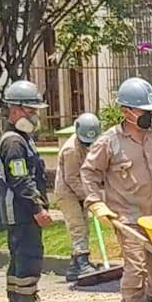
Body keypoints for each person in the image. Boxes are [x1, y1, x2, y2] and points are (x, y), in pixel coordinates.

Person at [81, 77, 152, 302]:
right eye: (143, 111)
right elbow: (89, 172)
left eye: (151, 111)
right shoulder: (109, 142)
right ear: (126, 111)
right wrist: (96, 202)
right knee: (136, 268)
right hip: (128, 217)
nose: (149, 116)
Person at [0, 80, 62, 302]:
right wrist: (38, 208)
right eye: (29, 111)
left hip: (19, 213)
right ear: (14, 111)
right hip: (23, 213)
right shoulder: (14, 142)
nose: (34, 116)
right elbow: (21, 180)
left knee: (18, 261)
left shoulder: (21, 139)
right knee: (28, 258)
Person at [55, 113, 102, 282]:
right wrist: (89, 196)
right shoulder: (71, 150)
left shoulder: (90, 144)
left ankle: (75, 266)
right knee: (77, 227)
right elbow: (71, 178)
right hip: (67, 194)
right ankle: (82, 263)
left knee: (84, 227)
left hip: (80, 192)